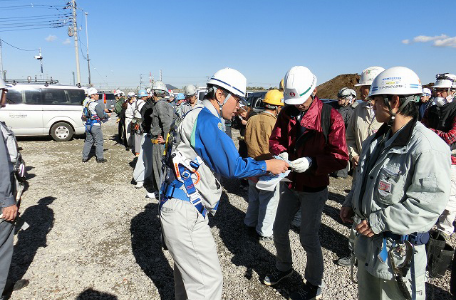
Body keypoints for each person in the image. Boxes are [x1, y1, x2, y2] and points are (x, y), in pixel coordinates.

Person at [159, 68, 289, 300]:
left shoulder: (194, 114)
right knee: (207, 284)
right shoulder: (208, 120)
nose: (238, 106)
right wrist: (269, 166)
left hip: (178, 203)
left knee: (188, 282)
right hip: (185, 211)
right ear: (221, 95)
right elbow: (233, 167)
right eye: (237, 99)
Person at [340, 66, 451, 300]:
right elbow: (363, 177)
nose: (372, 105)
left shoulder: (426, 147)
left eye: (376, 100)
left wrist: (378, 221)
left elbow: (428, 205)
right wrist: (351, 201)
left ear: (394, 101)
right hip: (369, 245)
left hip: (398, 255)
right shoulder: (376, 140)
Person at [265, 66, 348, 300]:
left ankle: (314, 282)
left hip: (314, 187)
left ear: (314, 90)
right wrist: (280, 153)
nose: (298, 105)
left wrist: (312, 162)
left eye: (301, 100)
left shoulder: (330, 117)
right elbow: (275, 140)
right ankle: (284, 268)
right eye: (294, 101)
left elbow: (340, 157)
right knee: (279, 229)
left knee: (308, 237)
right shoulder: (287, 113)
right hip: (291, 183)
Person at [338, 66, 385, 266]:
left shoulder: (390, 114)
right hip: (360, 170)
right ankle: (354, 252)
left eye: (365, 87)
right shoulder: (358, 109)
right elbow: (349, 137)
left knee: (377, 213)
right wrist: (354, 155)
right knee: (357, 211)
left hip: (382, 176)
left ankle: (379, 257)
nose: (361, 91)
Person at [244, 89, 284, 241]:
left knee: (253, 197)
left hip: (252, 165)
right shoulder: (275, 123)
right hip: (269, 167)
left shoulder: (252, 119)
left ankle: (249, 223)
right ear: (276, 107)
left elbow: (246, 140)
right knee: (269, 202)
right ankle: (264, 231)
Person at [422, 73, 456, 238]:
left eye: (443, 90)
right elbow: (421, 128)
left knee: (449, 198)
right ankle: (427, 226)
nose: (438, 93)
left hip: (452, 161)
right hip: (432, 158)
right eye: (437, 90)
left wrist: (430, 132)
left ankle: (444, 231)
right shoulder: (431, 109)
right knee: (429, 192)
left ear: (452, 91)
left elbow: (451, 137)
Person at [150, 81, 175, 193]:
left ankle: (160, 192)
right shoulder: (167, 104)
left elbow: (166, 123)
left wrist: (165, 139)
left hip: (160, 143)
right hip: (163, 141)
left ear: (155, 92)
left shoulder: (159, 105)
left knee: (159, 167)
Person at [330, 87, 358, 178]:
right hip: (334, 136)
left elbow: (350, 127)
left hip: (343, 137)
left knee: (342, 155)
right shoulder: (335, 107)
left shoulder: (351, 112)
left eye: (341, 98)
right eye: (339, 98)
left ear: (348, 99)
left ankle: (341, 174)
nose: (339, 100)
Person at [82, 88, 110, 163]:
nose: (98, 95)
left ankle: (84, 157)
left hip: (88, 125)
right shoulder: (95, 104)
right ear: (93, 95)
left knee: (88, 141)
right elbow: (101, 115)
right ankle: (100, 158)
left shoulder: (86, 103)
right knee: (99, 141)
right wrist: (108, 115)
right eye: (97, 94)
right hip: (95, 125)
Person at [131, 90, 147, 157]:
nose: (146, 97)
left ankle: (137, 151)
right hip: (141, 120)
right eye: (145, 96)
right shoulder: (143, 104)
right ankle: (141, 151)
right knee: (142, 136)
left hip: (135, 120)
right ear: (143, 97)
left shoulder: (134, 103)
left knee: (136, 136)